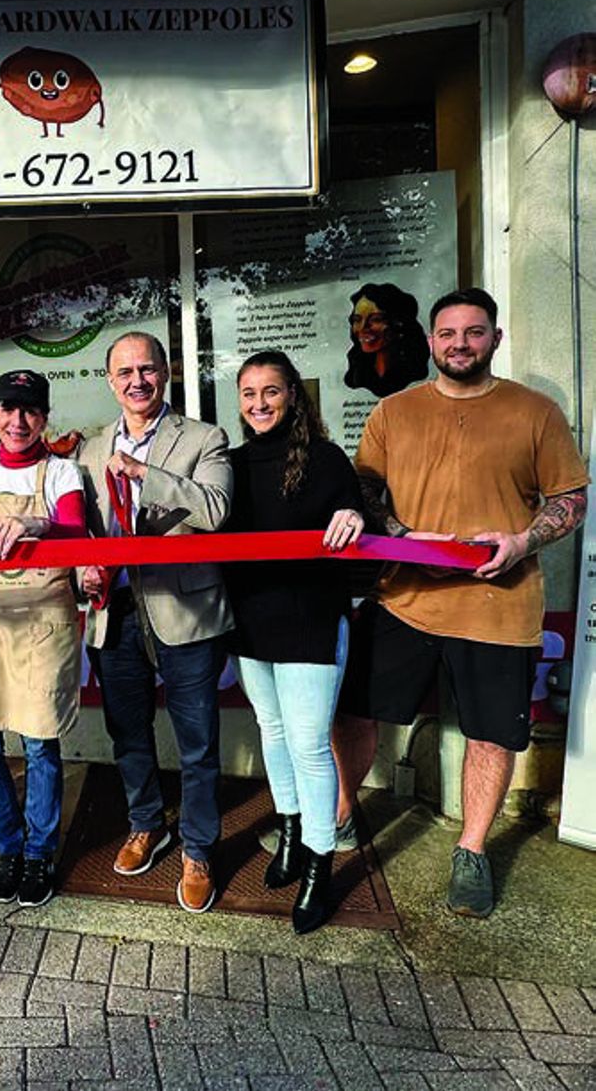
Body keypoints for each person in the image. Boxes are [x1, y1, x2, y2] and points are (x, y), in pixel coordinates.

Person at [336, 287, 588, 918]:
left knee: (488, 735)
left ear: (494, 339)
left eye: (474, 333)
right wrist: (395, 533)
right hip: (406, 598)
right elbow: (363, 487)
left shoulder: (536, 413)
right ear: (430, 342)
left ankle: (472, 850)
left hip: (498, 606)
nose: (460, 344)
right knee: (357, 708)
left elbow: (571, 499)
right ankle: (340, 815)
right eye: (448, 334)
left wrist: (525, 538)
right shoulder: (395, 412)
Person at [79, 331, 234, 914]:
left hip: (185, 610)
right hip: (115, 613)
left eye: (147, 369)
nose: (137, 380)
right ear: (110, 380)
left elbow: (215, 511)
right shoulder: (88, 450)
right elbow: (81, 537)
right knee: (129, 734)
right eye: (125, 372)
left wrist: (145, 473)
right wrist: (82, 577)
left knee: (198, 744)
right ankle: (146, 824)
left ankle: (199, 847)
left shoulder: (204, 437)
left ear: (165, 374)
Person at [224, 351, 364, 934]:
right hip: (253, 620)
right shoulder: (228, 464)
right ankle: (288, 832)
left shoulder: (327, 459)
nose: (259, 404)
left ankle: (318, 863)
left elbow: (358, 516)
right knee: (273, 735)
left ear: (293, 397)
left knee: (309, 744)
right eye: (249, 393)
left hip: (310, 620)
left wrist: (354, 515)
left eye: (271, 392)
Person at [0, 370, 86, 908]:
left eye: (30, 410)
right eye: (8, 408)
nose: (18, 420)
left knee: (39, 743)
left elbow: (79, 534)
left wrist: (41, 528)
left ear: (44, 418)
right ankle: (8, 847)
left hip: (41, 623)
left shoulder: (63, 473)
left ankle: (39, 853)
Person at [343, 282, 430, 398]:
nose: (363, 327)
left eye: (376, 319)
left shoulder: (412, 375)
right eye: (357, 320)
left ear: (399, 323)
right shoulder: (358, 373)